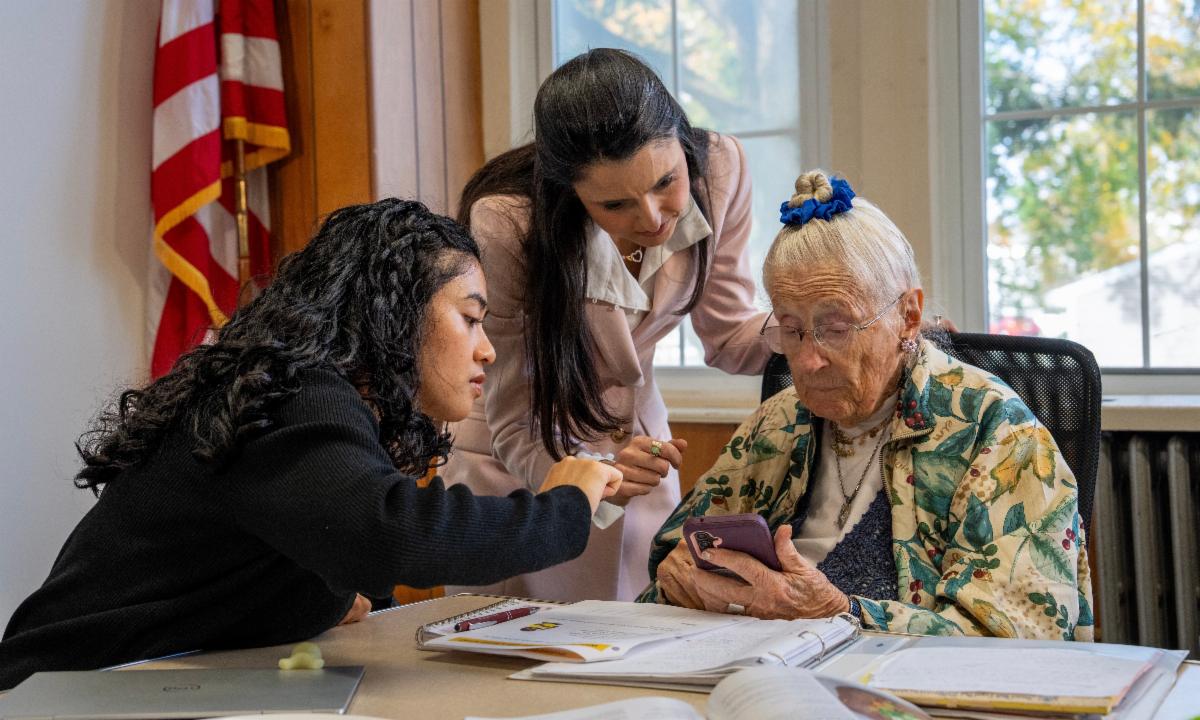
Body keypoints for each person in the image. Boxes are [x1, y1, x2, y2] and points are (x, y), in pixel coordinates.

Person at [0, 199, 622, 690]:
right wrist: (562, 506)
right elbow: (390, 535)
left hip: (140, 681)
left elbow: (302, 559)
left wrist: (322, 598)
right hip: (66, 691)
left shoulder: (312, 398)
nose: (487, 348)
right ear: (397, 312)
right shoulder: (293, 397)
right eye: (469, 317)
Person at [638, 171, 1094, 640]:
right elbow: (676, 553)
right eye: (792, 331)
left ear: (908, 316)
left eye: (835, 329)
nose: (810, 361)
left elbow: (1017, 636)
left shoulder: (997, 433)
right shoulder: (778, 423)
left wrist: (837, 614)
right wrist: (681, 577)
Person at [440, 48, 772, 602]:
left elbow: (732, 335)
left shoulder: (720, 170)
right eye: (615, 204)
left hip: (641, 455)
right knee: (519, 664)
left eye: (666, 181)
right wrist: (593, 478)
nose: (651, 218)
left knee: (644, 646)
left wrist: (828, 320)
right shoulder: (508, 222)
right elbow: (516, 417)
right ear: (568, 191)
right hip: (520, 463)